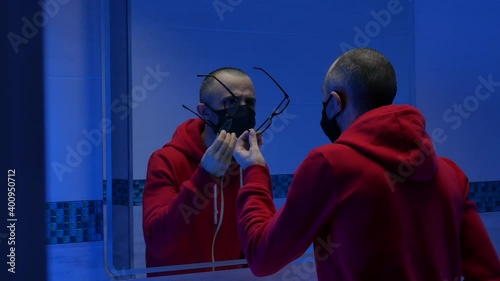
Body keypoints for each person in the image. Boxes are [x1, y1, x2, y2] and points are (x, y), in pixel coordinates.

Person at [233, 48, 500, 281]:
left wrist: (254, 169)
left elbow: (262, 256)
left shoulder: (328, 165)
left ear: (336, 102)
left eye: (324, 100)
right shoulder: (452, 174)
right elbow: (489, 273)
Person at [142, 67, 269, 276]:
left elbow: (258, 244)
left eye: (250, 102)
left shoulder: (249, 165)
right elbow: (158, 241)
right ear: (204, 111)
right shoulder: (166, 161)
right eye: (231, 101)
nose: (243, 109)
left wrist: (255, 170)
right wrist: (204, 177)